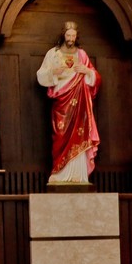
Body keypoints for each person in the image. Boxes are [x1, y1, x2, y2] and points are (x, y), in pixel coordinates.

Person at [35, 21, 100, 184]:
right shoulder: (53, 53)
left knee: (79, 134)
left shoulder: (82, 54)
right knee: (61, 134)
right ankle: (59, 172)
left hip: (79, 102)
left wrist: (87, 71)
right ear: (63, 35)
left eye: (73, 35)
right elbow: (41, 75)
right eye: (68, 35)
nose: (70, 38)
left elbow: (95, 77)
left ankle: (79, 174)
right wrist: (53, 72)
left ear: (77, 37)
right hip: (61, 101)